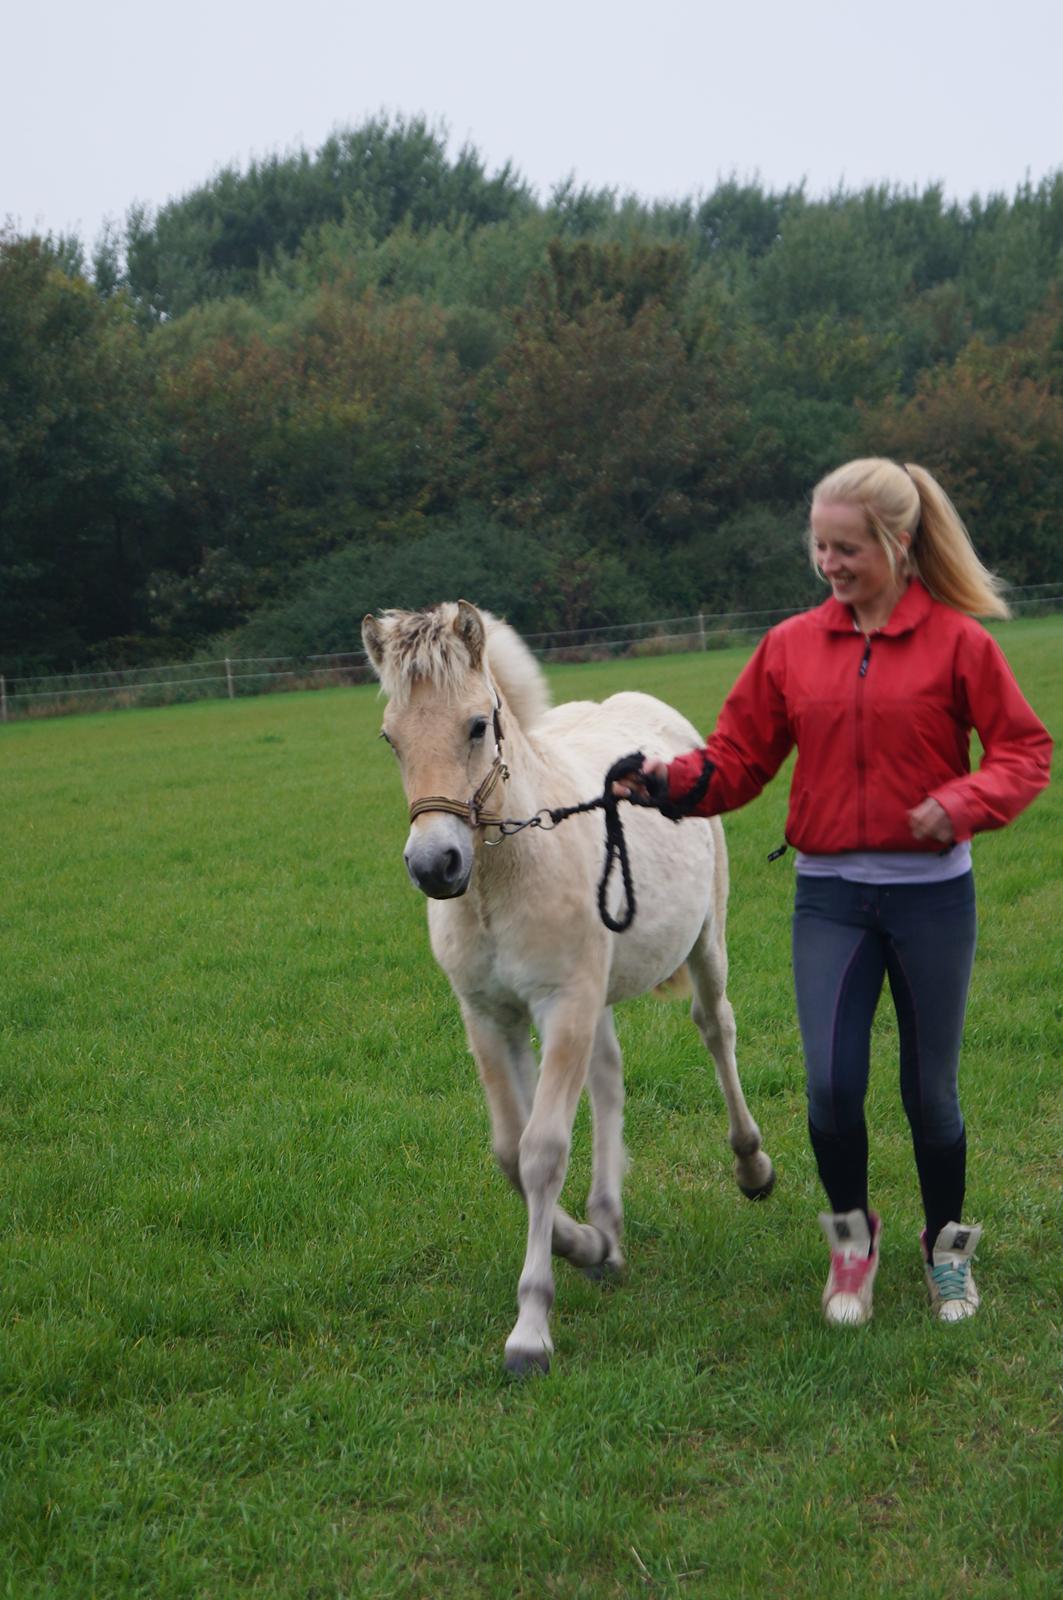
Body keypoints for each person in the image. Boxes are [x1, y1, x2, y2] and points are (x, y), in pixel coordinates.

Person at [618, 459, 1052, 1326]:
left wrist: (962, 801)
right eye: (818, 545)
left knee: (929, 1094)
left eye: (845, 547)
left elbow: (1022, 751)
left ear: (898, 542)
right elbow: (738, 759)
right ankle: (851, 1245)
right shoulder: (789, 647)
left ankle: (946, 1251)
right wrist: (666, 782)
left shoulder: (959, 644)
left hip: (932, 901)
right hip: (830, 901)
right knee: (828, 1086)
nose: (828, 563)